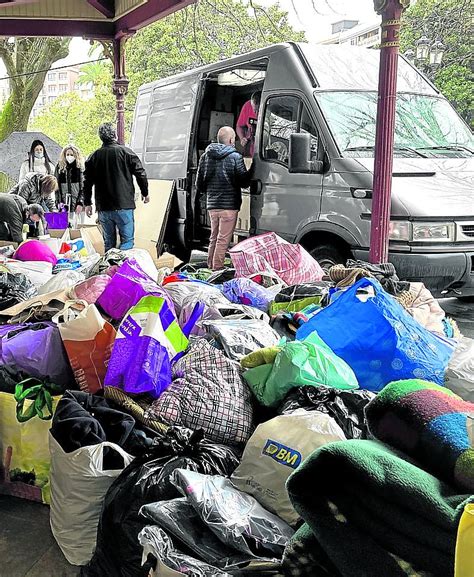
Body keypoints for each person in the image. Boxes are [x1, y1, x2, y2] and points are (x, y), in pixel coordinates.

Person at [84, 122, 149, 252]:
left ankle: (110, 268)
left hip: (104, 206)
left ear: (100, 137)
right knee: (127, 241)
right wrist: (145, 192)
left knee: (109, 243)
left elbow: (87, 182)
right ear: (115, 135)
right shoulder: (126, 152)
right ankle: (123, 268)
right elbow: (140, 173)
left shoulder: (93, 157)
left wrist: (87, 203)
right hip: (124, 204)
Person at [196, 126, 251, 271]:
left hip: (212, 206)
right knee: (223, 239)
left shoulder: (205, 156)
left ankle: (210, 265)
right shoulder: (235, 157)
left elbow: (199, 184)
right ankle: (217, 268)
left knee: (214, 237)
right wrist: (253, 170)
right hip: (229, 206)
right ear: (231, 140)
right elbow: (243, 181)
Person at [55, 145, 85, 226]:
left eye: (72, 155)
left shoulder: (81, 168)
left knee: (79, 226)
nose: (69, 157)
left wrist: (81, 203)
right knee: (65, 226)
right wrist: (58, 202)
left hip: (78, 203)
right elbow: (56, 187)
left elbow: (84, 187)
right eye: (67, 154)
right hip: (64, 203)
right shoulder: (59, 167)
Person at [236, 91, 261, 157]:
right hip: (250, 146)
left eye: (258, 110)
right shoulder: (247, 105)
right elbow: (239, 126)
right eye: (254, 110)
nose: (256, 113)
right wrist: (242, 138)